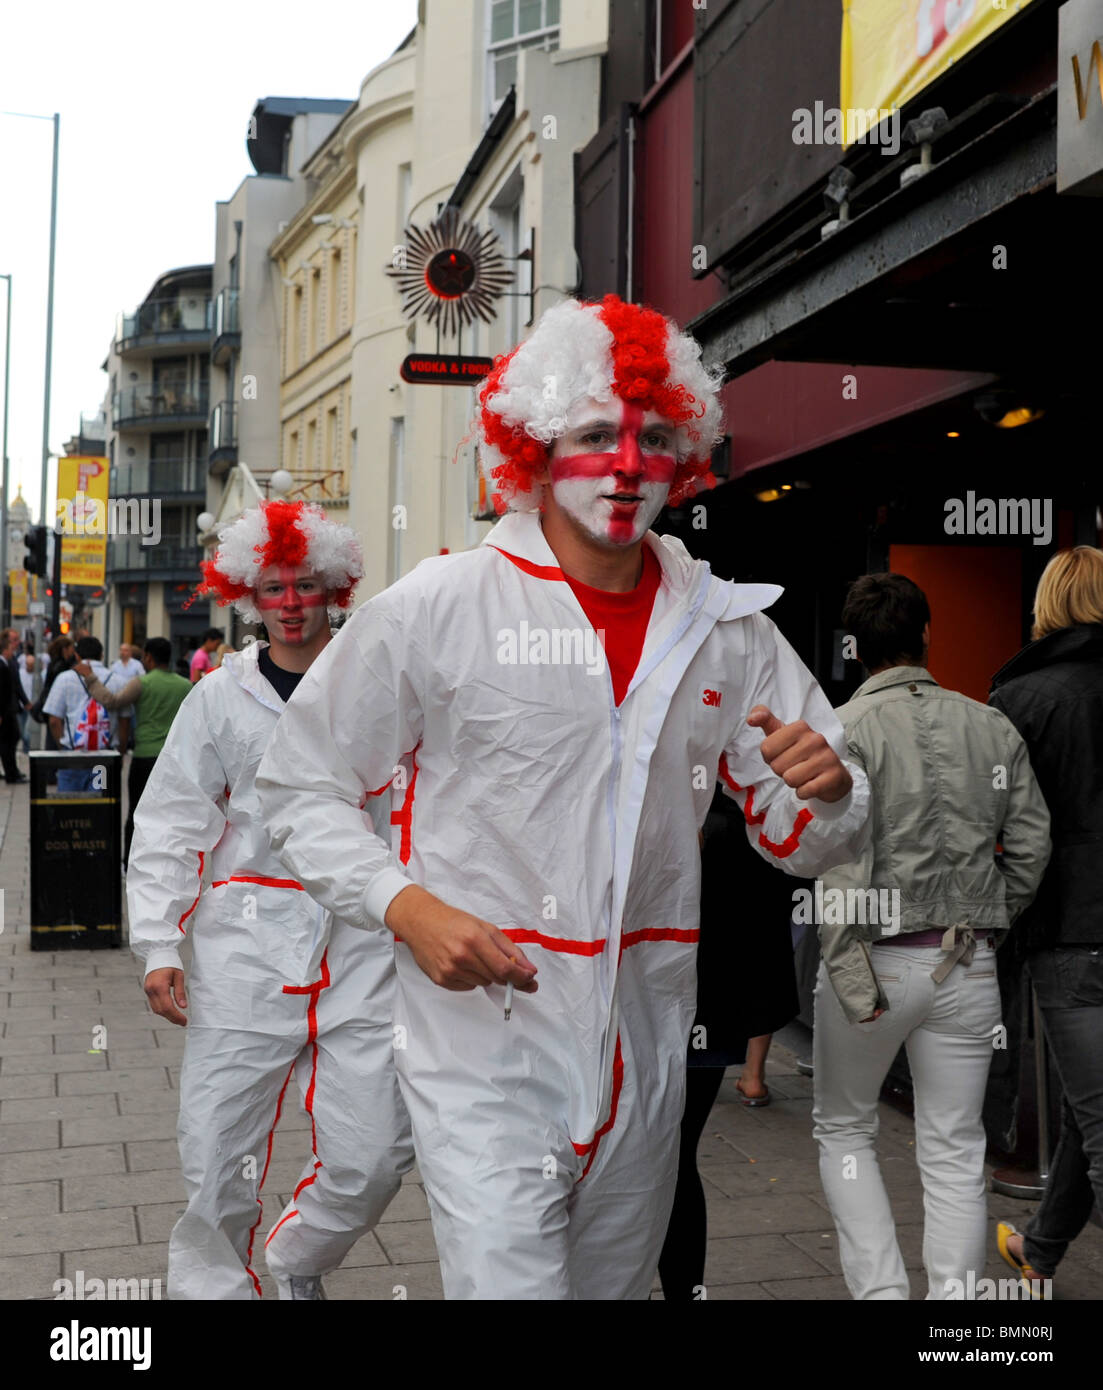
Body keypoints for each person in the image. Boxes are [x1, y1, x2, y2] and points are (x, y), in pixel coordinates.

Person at [256, 294, 870, 1300]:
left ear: (686, 457)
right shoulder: (440, 606)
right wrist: (407, 909)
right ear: (531, 450)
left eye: (656, 440)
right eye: (594, 436)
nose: (626, 466)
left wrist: (833, 788)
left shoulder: (727, 629)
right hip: (482, 1037)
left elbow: (810, 837)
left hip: (648, 1036)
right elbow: (302, 785)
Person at [126, 499, 413, 1300]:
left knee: (376, 1153)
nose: (291, 603)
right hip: (242, 955)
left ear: (336, 591)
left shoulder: (379, 685)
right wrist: (157, 943)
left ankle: (295, 1262)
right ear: (250, 596)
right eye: (276, 588)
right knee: (216, 1153)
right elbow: (173, 821)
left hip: (364, 947)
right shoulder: (219, 699)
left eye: (308, 586)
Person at [811, 573, 1051, 1301]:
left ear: (854, 649)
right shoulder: (989, 725)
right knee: (953, 1144)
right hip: (964, 959)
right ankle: (953, 1300)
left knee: (846, 1131)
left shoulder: (837, 731)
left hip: (868, 960)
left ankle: (882, 1295)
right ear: (924, 635)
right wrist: (987, 918)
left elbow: (815, 846)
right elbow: (1032, 842)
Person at [986, 547, 1103, 1297]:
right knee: (1083, 1104)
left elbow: (989, 824)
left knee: (1096, 1121)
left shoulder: (1020, 699)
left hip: (1070, 930)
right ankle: (1041, 1250)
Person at [658, 786, 801, 1300]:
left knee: (664, 1158)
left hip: (685, 1004)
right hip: (701, 1005)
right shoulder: (741, 805)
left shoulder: (727, 808)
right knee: (672, 1158)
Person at [74, 637, 191, 868]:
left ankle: (130, 862)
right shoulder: (185, 685)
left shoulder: (142, 683)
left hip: (144, 757)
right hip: (173, 759)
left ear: (148, 657)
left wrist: (90, 677)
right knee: (170, 814)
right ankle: (167, 861)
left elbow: (112, 701)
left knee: (137, 811)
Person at [43, 637, 132, 791]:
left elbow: (54, 721)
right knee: (100, 806)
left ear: (77, 656)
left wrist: (64, 746)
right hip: (104, 756)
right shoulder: (119, 681)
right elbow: (124, 722)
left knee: (69, 808)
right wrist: (121, 753)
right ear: (102, 655)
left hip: (72, 757)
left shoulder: (64, 679)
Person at [0, 630, 28, 780]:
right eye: (12, 647)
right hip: (6, 711)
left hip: (9, 709)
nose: (14, 651)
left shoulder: (8, 664)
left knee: (13, 738)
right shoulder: (2, 666)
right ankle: (11, 773)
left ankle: (12, 771)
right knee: (8, 741)